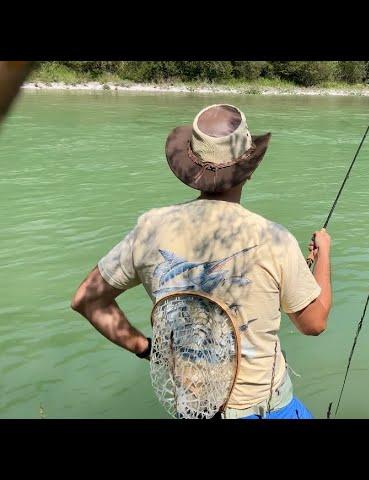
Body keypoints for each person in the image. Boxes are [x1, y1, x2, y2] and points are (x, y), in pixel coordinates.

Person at [71, 103, 332, 419]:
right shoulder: (273, 239)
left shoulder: (149, 229)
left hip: (194, 409)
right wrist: (323, 255)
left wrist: (147, 349)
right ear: (248, 171)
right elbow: (313, 324)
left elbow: (87, 300)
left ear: (191, 172)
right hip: (265, 409)